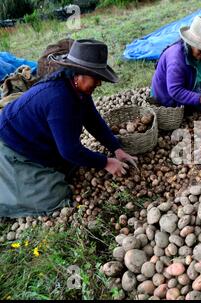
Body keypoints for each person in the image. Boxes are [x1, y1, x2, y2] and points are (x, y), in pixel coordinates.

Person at [0, 39, 137, 218]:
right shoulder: (59, 98)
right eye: (96, 78)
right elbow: (70, 150)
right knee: (56, 196)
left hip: (35, 142)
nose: (99, 84)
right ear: (79, 74)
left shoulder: (76, 88)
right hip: (10, 148)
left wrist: (116, 149)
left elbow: (93, 120)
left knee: (72, 166)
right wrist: (106, 162)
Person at [151, 15, 201, 113]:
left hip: (192, 85)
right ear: (191, 43)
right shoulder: (176, 60)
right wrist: (200, 99)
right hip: (168, 97)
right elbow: (175, 90)